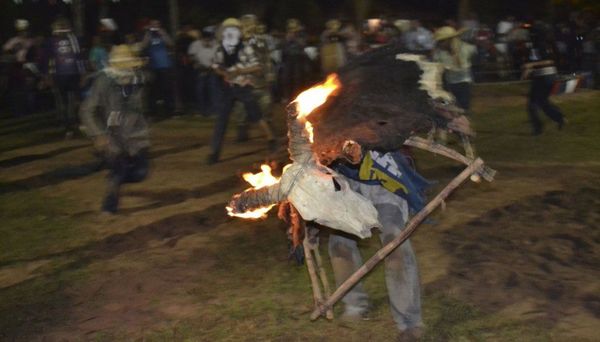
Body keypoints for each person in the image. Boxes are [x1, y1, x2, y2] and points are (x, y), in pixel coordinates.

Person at [329, 144, 430, 341]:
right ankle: (355, 305)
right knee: (340, 245)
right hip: (347, 185)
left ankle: (410, 322)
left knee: (395, 246)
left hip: (385, 183)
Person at [79, 45, 150, 214]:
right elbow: (87, 110)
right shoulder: (103, 81)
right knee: (119, 167)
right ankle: (109, 205)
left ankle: (115, 177)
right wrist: (98, 135)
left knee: (141, 173)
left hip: (135, 135)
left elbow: (139, 108)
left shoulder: (138, 80)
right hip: (111, 134)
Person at [207, 18, 275, 165]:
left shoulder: (245, 48)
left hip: (243, 86)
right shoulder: (221, 49)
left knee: (256, 115)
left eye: (233, 29)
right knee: (221, 120)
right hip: (227, 88)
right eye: (227, 29)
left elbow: (257, 67)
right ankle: (214, 153)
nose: (230, 32)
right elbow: (215, 66)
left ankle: (271, 139)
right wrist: (223, 73)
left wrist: (240, 70)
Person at [43, 17, 85, 137]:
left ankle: (69, 123)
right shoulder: (57, 40)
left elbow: (78, 57)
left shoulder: (70, 39)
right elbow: (48, 59)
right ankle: (66, 123)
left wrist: (82, 73)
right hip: (63, 74)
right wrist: (47, 76)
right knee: (64, 100)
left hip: (69, 74)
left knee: (68, 99)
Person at [140, 19, 180, 116]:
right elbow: (143, 46)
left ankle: (169, 110)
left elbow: (171, 44)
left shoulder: (163, 33)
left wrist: (162, 33)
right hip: (153, 66)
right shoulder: (148, 35)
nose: (155, 26)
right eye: (153, 24)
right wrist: (148, 34)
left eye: (157, 24)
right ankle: (152, 110)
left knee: (167, 88)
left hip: (165, 65)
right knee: (153, 90)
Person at [432, 26, 477, 112]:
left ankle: (463, 117)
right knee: (450, 102)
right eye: (439, 42)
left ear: (449, 40)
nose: (439, 44)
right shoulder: (439, 53)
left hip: (464, 81)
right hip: (449, 81)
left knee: (463, 103)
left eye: (442, 41)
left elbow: (472, 57)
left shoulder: (465, 48)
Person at [521, 59, 565, 135]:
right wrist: (527, 70)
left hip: (544, 76)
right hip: (544, 76)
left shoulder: (541, 49)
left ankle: (538, 129)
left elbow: (549, 61)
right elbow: (526, 73)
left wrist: (531, 65)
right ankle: (559, 118)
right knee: (542, 102)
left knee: (533, 103)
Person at [3, 19, 34, 116]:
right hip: (15, 67)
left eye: (25, 30)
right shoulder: (13, 41)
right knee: (16, 89)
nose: (24, 32)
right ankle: (17, 110)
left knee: (28, 88)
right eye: (21, 30)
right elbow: (6, 51)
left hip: (27, 66)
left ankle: (29, 109)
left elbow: (33, 54)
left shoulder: (30, 41)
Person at [188, 26, 219, 116]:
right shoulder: (196, 44)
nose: (208, 37)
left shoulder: (216, 44)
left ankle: (214, 110)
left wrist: (212, 67)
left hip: (212, 70)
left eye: (210, 35)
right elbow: (191, 57)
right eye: (207, 35)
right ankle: (202, 110)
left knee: (213, 90)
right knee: (200, 90)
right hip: (199, 70)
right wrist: (199, 65)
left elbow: (218, 58)